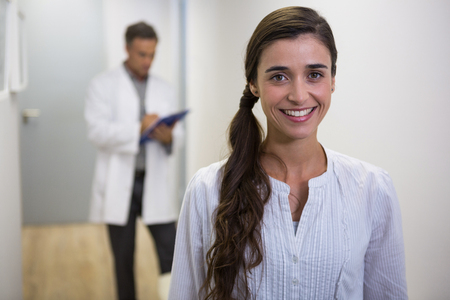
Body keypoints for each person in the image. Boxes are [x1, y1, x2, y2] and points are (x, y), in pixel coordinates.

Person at [168, 6, 407, 300]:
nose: (298, 95)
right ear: (253, 83)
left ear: (333, 80)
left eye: (314, 74)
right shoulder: (208, 189)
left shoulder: (373, 189)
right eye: (279, 77)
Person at [85, 22, 183, 300]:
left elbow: (179, 134)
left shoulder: (164, 88)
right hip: (120, 183)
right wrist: (137, 128)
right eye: (141, 54)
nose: (147, 61)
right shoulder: (102, 85)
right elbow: (97, 132)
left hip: (153, 182)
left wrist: (167, 137)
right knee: (123, 258)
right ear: (127, 48)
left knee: (171, 252)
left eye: (152, 54)